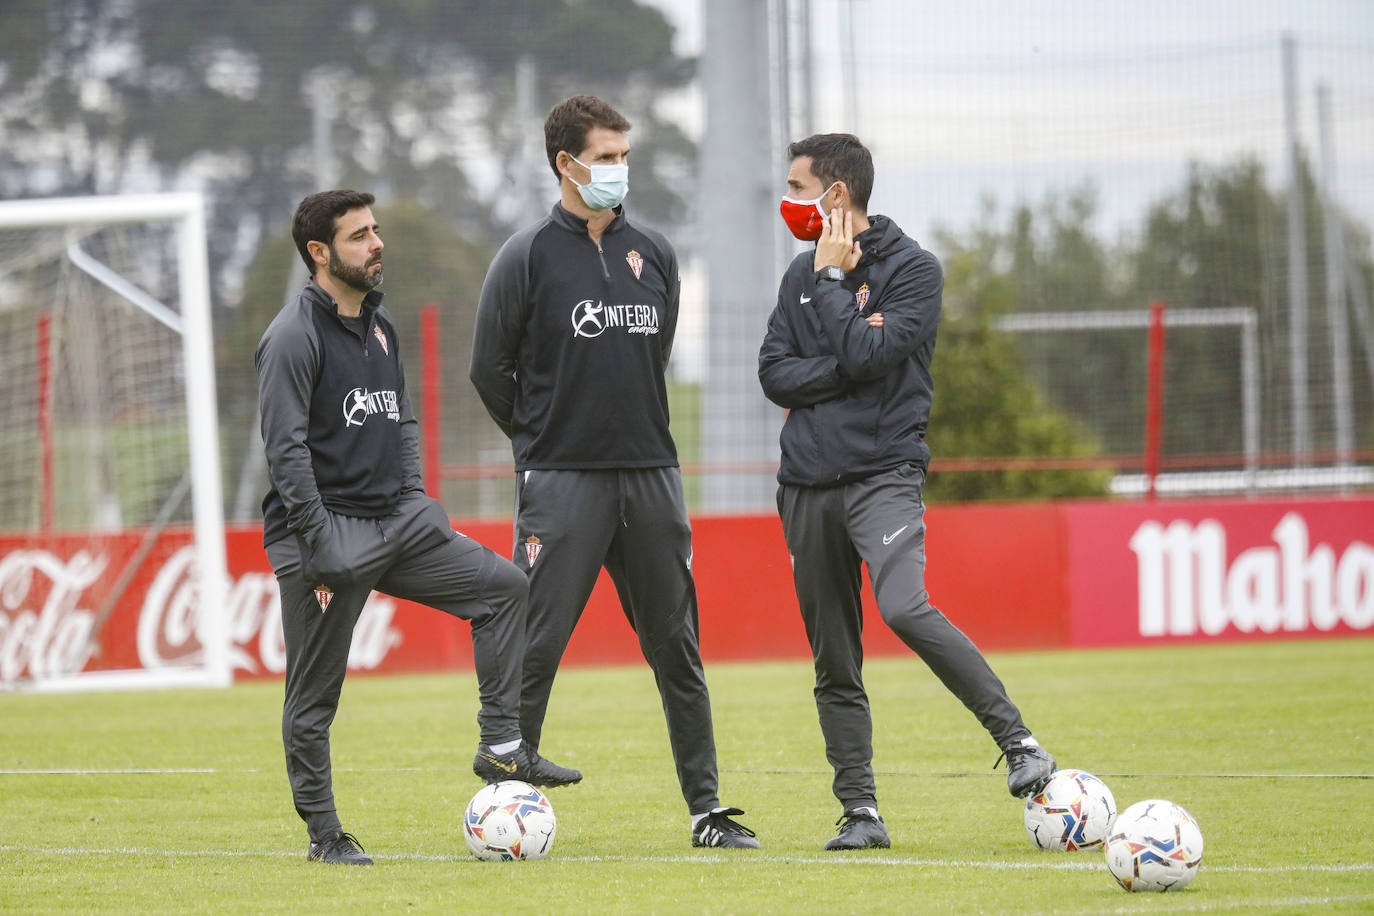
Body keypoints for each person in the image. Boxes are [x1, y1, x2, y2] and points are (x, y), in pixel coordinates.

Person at [256, 189, 580, 866]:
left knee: (503, 588)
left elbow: (400, 417)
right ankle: (325, 836)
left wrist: (413, 497)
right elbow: (285, 452)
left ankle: (500, 746)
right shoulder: (293, 336)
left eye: (375, 231)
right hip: (324, 538)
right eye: (358, 236)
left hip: (394, 521)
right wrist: (321, 545)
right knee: (314, 700)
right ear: (319, 253)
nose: (376, 244)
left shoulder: (379, 324)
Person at [469, 95, 759, 850]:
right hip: (561, 481)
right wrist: (541, 441)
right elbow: (487, 370)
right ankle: (506, 796)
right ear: (565, 164)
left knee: (678, 649)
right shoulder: (526, 256)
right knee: (536, 641)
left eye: (625, 156)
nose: (618, 170)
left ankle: (707, 811)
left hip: (652, 476)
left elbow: (649, 359)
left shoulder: (655, 254)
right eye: (605, 157)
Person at [758, 134, 1056, 851]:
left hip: (882, 477)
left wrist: (835, 298)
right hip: (804, 488)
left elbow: (866, 352)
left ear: (835, 195)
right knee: (834, 659)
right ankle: (860, 812)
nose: (788, 201)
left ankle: (1019, 743)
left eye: (797, 187)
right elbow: (775, 375)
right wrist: (846, 353)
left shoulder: (913, 270)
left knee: (905, 607)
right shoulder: (797, 275)